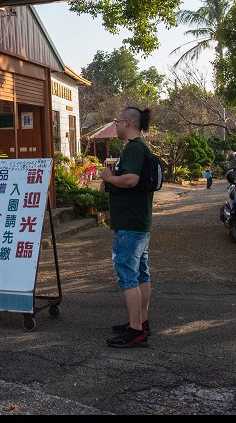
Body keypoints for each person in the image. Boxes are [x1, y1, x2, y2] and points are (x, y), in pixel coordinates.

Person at [99, 106, 155, 348]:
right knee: (141, 273)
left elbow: (131, 180)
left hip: (130, 225)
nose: (115, 126)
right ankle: (140, 322)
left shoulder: (134, 149)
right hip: (139, 222)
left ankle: (135, 330)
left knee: (128, 275)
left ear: (127, 122)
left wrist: (109, 178)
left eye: (117, 121)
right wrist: (110, 181)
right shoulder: (138, 148)